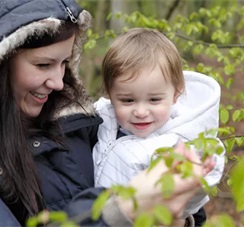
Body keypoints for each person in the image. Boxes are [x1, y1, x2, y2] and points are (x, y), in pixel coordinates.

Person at [0, 1, 215, 226]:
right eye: (43, 64)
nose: (58, 82)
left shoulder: (81, 122)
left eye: (64, 63)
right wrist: (121, 210)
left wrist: (181, 217)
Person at [93, 28, 226, 226]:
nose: (141, 111)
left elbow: (192, 198)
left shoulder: (179, 145)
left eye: (154, 100)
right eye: (128, 100)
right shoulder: (101, 122)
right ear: (110, 95)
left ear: (176, 93)